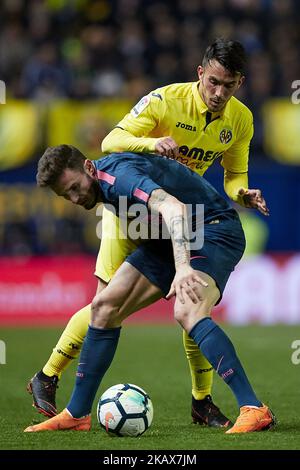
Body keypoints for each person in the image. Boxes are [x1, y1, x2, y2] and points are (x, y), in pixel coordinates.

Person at [27, 38, 268, 427]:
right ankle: (71, 407)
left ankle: (246, 407)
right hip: (145, 218)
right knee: (104, 306)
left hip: (204, 224)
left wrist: (237, 195)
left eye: (229, 85)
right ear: (200, 74)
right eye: (214, 83)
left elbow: (207, 188)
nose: (219, 93)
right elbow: (111, 141)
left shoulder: (239, 120)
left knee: (187, 308)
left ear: (239, 83)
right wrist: (153, 142)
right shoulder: (163, 102)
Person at [25, 145, 275, 434]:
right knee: (103, 308)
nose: (75, 198)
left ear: (89, 168)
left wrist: (183, 268)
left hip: (213, 229)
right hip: (166, 237)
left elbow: (174, 208)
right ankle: (77, 414)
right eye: (65, 195)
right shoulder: (101, 184)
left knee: (187, 309)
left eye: (74, 187)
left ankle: (254, 408)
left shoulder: (120, 178)